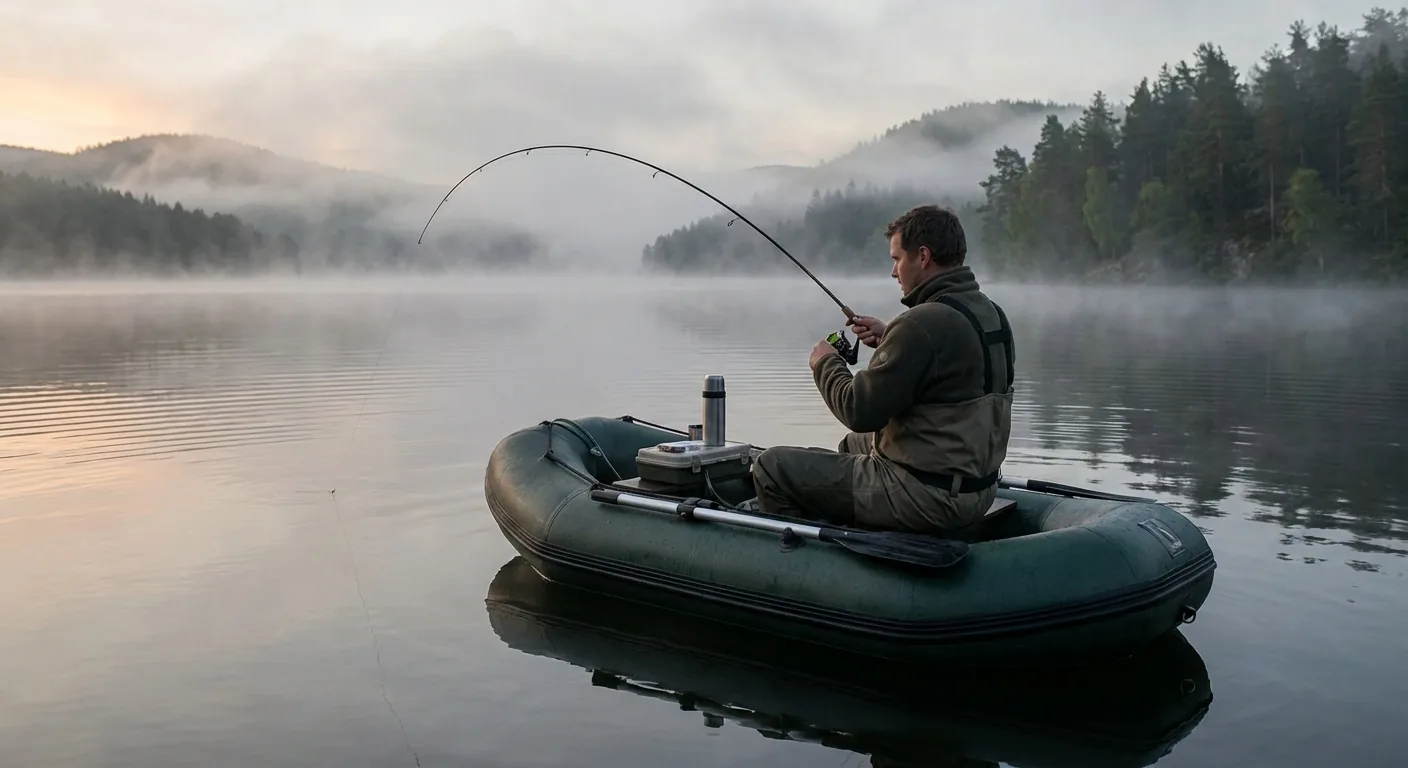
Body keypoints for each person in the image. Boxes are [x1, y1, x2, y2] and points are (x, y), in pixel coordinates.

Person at [747, 204, 1015, 538]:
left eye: (896, 259)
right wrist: (890, 337)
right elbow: (950, 377)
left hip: (927, 497)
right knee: (852, 445)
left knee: (772, 467)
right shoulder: (991, 314)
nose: (893, 272)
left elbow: (858, 410)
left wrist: (825, 362)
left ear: (923, 256)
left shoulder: (920, 324)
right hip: (977, 487)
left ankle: (805, 560)